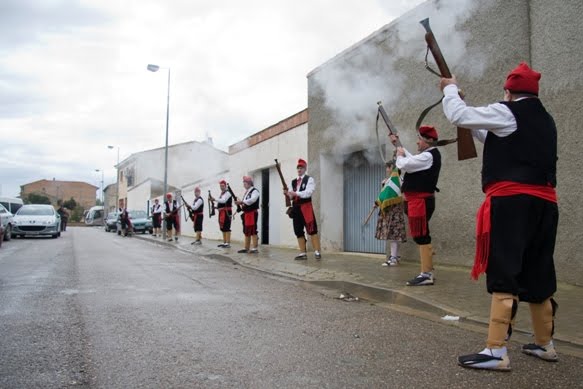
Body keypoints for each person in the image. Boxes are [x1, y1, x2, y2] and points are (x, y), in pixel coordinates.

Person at [440, 62, 559, 371]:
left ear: (508, 92)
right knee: (538, 269)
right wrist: (464, 104)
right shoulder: (546, 120)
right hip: (545, 204)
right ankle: (546, 344)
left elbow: (458, 116)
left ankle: (496, 350)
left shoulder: (507, 112)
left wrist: (449, 89)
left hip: (511, 202)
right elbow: (490, 133)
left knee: (504, 267)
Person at [389, 125, 442, 286]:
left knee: (421, 236)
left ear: (429, 141)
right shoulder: (427, 156)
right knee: (421, 236)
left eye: (420, 139)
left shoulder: (429, 156)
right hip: (416, 202)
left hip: (420, 202)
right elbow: (411, 160)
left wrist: (398, 154)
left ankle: (426, 274)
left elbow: (404, 164)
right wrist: (397, 144)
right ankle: (427, 270)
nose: (417, 143)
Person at [284, 158, 322, 260]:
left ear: (305, 169)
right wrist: (288, 194)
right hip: (296, 208)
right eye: (298, 168)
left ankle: (317, 251)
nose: (299, 169)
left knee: (312, 229)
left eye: (301, 167)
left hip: (306, 207)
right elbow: (292, 196)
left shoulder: (309, 179)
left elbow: (308, 193)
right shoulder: (293, 182)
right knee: (298, 230)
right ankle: (302, 253)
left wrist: (296, 193)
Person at [375, 160, 406, 266]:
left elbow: (398, 195)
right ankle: (395, 256)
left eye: (387, 167)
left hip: (395, 211)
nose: (386, 169)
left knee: (394, 235)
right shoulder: (388, 181)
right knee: (393, 235)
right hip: (390, 211)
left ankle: (394, 258)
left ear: (391, 168)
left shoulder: (398, 180)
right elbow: (384, 195)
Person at [235, 176, 259, 254]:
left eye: (245, 183)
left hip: (252, 213)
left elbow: (252, 200)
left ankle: (255, 248)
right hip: (247, 213)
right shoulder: (247, 192)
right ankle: (246, 247)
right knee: (246, 230)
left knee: (253, 230)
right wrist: (240, 203)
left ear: (249, 183)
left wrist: (241, 202)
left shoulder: (255, 191)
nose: (244, 185)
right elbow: (245, 202)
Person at [213, 180, 232, 248]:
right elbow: (220, 203)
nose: (221, 187)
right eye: (220, 186)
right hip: (222, 212)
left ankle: (228, 243)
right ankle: (225, 242)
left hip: (227, 212)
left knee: (227, 227)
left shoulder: (228, 193)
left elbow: (224, 200)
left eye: (223, 186)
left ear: (225, 186)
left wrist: (214, 199)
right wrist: (216, 207)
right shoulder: (222, 193)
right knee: (223, 227)